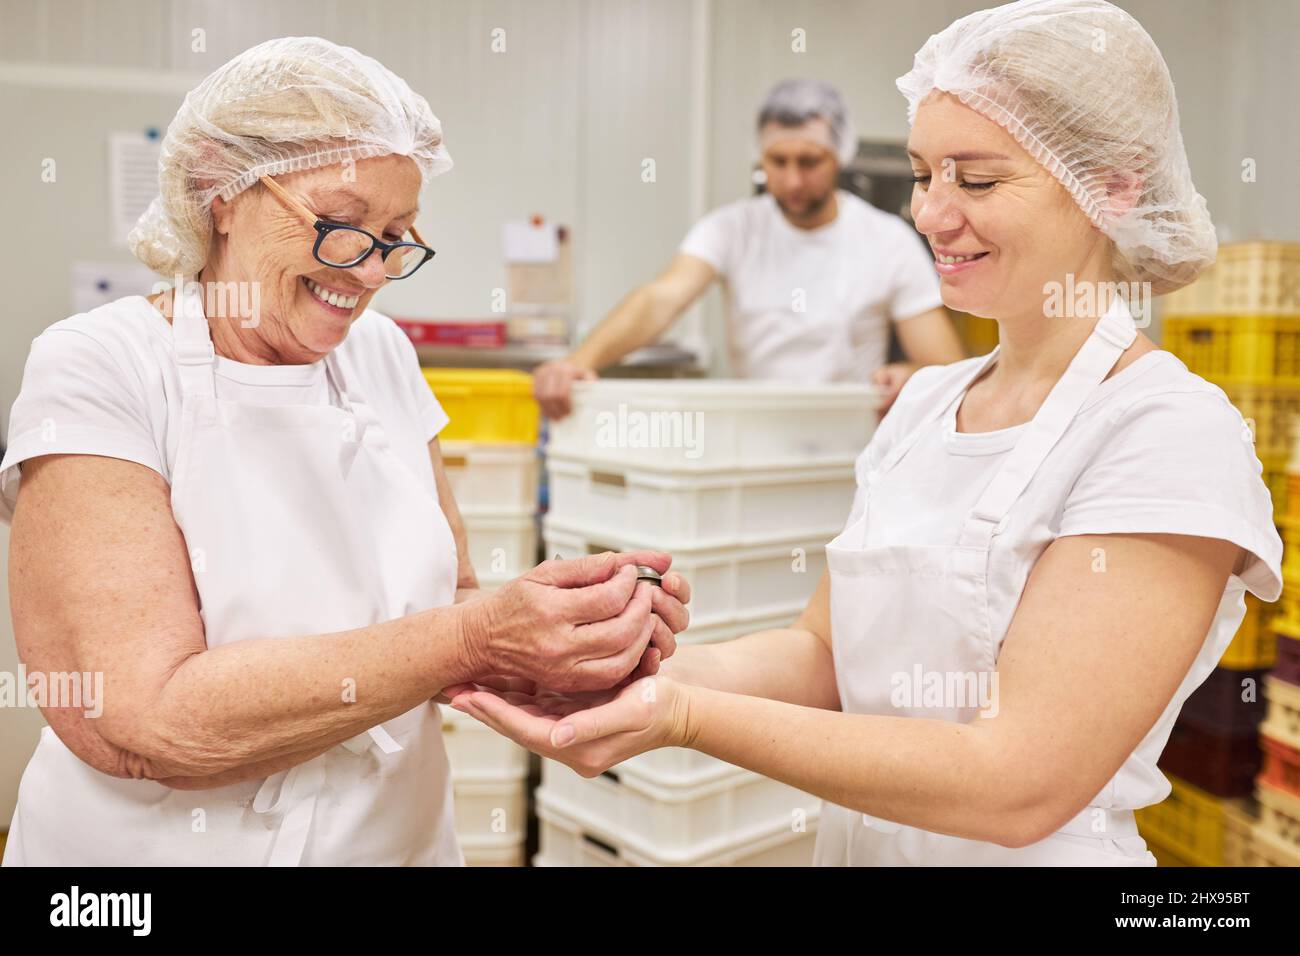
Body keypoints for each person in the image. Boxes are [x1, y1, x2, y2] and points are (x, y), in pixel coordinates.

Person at [447, 0, 1283, 866]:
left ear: (1113, 184)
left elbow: (1020, 781)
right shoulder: (926, 406)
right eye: (926, 174)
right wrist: (624, 676)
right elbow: (822, 653)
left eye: (980, 181)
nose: (930, 214)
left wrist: (685, 718)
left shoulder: (1165, 433)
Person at [0, 36, 689, 866]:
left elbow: (453, 599)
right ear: (220, 189)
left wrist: (558, 644)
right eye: (344, 227)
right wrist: (473, 641)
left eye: (398, 236)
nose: (368, 272)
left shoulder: (381, 355)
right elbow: (150, 718)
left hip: (392, 841)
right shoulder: (102, 365)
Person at [532, 78, 965, 419]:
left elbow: (945, 365)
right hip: (756, 438)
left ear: (840, 156)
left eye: (809, 162)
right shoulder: (732, 229)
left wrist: (911, 377)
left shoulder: (887, 240)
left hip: (853, 447)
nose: (793, 180)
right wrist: (578, 362)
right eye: (778, 162)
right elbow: (661, 299)